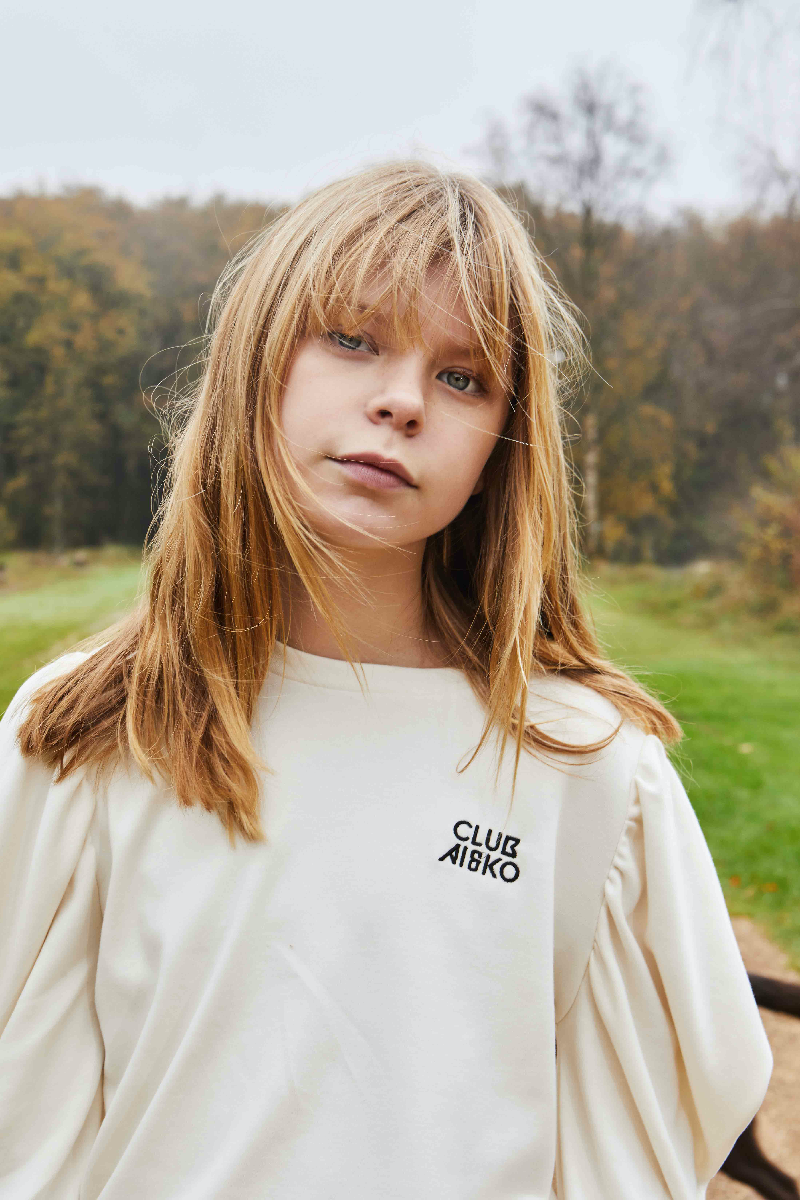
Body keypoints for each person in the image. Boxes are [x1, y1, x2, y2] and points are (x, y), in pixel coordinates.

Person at [0, 161, 771, 1200]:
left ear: (501, 449)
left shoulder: (590, 770)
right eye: (352, 339)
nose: (401, 401)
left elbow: (630, 1155)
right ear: (257, 361)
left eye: (462, 378)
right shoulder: (87, 735)